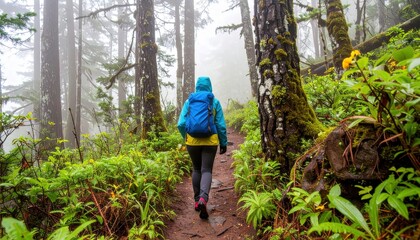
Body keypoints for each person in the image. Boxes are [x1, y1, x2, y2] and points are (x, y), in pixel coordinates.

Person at [177, 76, 228, 219]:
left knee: (196, 169)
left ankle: (196, 201)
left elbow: (181, 124)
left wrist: (186, 137)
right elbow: (221, 125)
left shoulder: (189, 101)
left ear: (197, 86)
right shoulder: (214, 101)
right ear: (209, 86)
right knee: (206, 170)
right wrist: (223, 143)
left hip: (192, 142)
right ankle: (203, 199)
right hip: (210, 141)